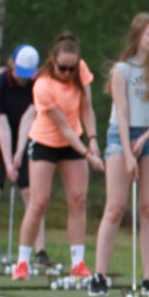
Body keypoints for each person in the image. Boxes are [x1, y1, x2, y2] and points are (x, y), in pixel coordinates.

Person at [92, 14, 149, 294]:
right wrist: (128, 154)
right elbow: (123, 112)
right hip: (121, 135)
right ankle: (99, 275)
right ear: (138, 37)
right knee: (115, 207)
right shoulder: (122, 71)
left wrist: (147, 137)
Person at [13, 33, 105, 283]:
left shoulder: (80, 70)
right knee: (39, 201)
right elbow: (63, 127)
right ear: (53, 61)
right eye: (62, 68)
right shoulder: (42, 85)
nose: (67, 73)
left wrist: (93, 138)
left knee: (78, 198)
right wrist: (88, 154)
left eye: (71, 68)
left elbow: (87, 108)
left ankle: (78, 262)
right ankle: (22, 261)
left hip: (73, 140)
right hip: (45, 141)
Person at [0, 44, 48, 263]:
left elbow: (28, 119)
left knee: (32, 195)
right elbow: (2, 125)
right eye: (21, 72)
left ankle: (39, 251)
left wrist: (19, 153)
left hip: (27, 138)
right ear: (11, 64)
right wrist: (8, 163)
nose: (23, 78)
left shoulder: (37, 84)